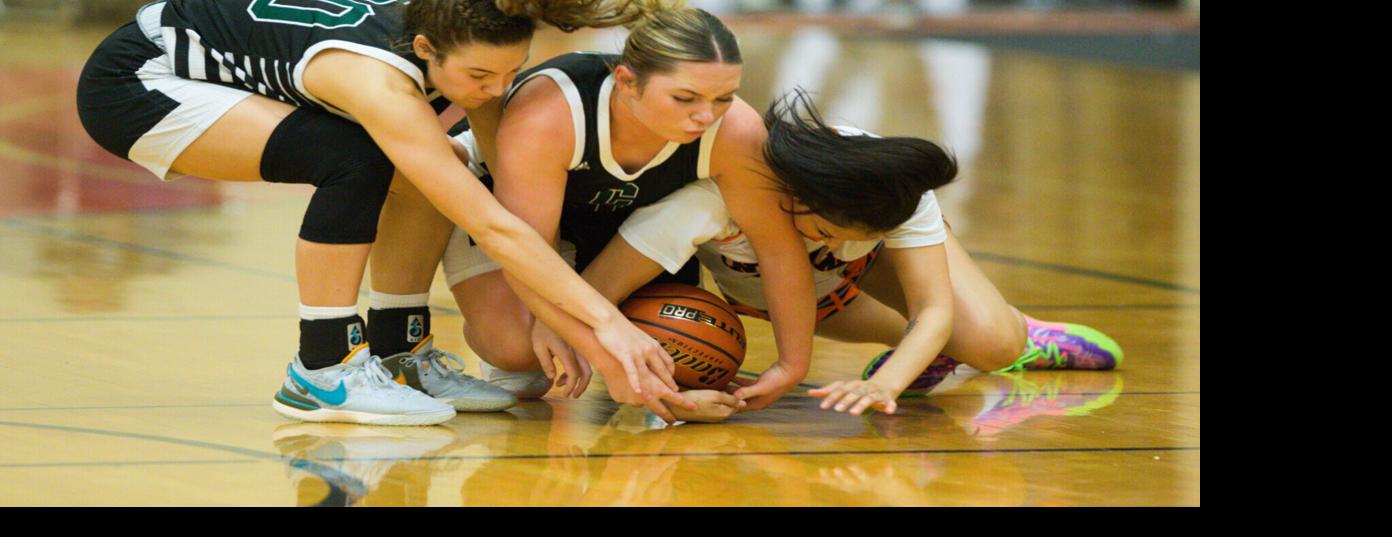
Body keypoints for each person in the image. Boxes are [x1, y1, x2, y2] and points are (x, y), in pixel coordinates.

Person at [75, 0, 681, 426]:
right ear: (424, 50)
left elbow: (505, 193)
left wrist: (555, 301)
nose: (495, 90)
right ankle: (321, 368)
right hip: (140, 81)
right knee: (356, 159)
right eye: (479, 77)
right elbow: (493, 228)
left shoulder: (464, 39)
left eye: (511, 73)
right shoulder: (377, 77)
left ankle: (400, 352)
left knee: (433, 162)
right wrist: (605, 325)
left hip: (236, 57)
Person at [570, 90, 1123, 421]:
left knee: (992, 344)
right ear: (797, 195)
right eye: (823, 230)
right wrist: (656, 386)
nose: (829, 247)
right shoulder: (708, 202)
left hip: (866, 273)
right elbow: (591, 297)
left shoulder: (889, 188)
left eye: (842, 237)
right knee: (924, 339)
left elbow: (932, 308)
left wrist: (885, 386)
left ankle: (1023, 332)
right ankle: (924, 356)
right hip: (787, 298)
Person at [402, 4, 821, 422]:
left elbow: (778, 248)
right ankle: (496, 338)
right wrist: (585, 339)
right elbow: (524, 249)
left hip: (623, 223)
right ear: (627, 82)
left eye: (723, 98)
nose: (705, 116)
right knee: (517, 349)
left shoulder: (736, 132)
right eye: (685, 98)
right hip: (519, 222)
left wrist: (792, 364)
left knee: (675, 349)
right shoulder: (550, 114)